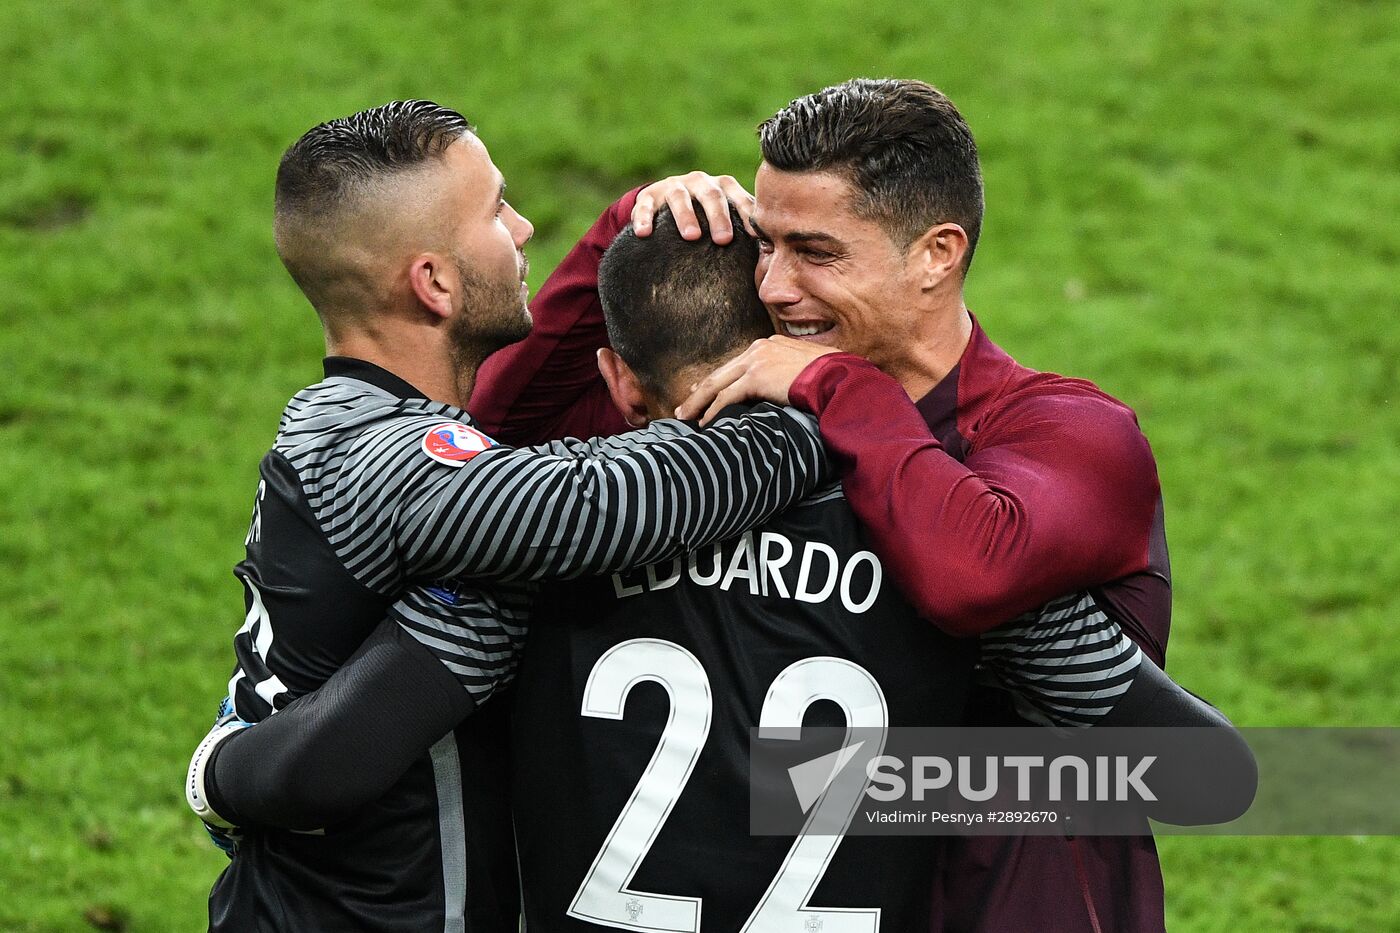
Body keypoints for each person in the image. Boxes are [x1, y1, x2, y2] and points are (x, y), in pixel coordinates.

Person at [199, 203, 1252, 931]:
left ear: (615, 378)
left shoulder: (531, 546)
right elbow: (1209, 778)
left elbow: (326, 766)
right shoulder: (942, 556)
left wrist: (216, 772)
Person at [186, 99, 832, 933]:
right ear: (434, 283)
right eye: (495, 209)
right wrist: (819, 399)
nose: (524, 228)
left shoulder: (347, 429)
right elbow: (610, 502)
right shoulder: (390, 464)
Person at [675, 78, 1178, 932]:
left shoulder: (1074, 434)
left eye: (817, 253)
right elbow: (506, 434)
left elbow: (968, 574)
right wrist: (623, 236)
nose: (772, 287)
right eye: (767, 244)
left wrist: (839, 384)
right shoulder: (762, 421)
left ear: (937, 254)